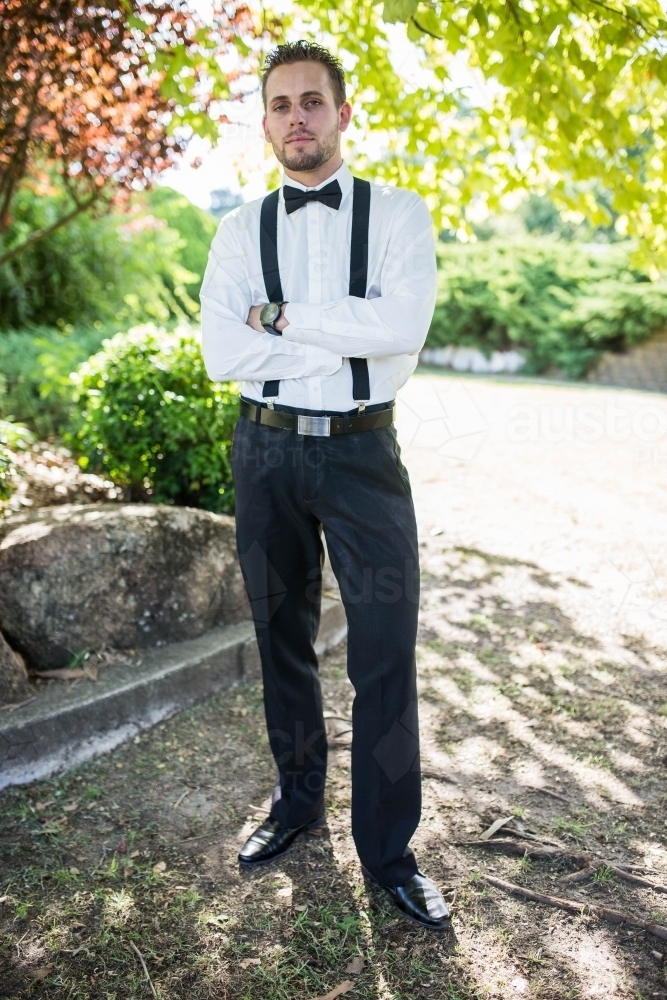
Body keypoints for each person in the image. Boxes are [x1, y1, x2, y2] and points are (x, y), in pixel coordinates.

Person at [200, 40, 449, 930]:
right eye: (280, 104)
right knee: (282, 638)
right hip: (263, 453)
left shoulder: (398, 216)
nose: (296, 116)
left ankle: (389, 852)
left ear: (342, 114)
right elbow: (224, 352)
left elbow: (400, 326)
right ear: (264, 121)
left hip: (362, 459)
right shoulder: (236, 230)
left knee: (383, 649)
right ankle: (296, 804)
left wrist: (280, 319)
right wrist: (344, 332)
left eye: (312, 101)